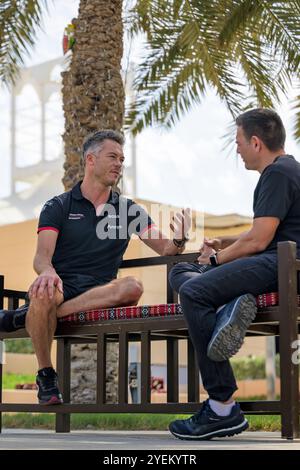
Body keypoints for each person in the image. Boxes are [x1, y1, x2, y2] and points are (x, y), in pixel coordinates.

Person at [0, 130, 190, 405]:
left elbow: (167, 250)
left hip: (103, 292)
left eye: (122, 159)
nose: (119, 164)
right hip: (62, 287)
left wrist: (180, 237)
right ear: (91, 159)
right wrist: (48, 272)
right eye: (112, 157)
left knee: (132, 286)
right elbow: (41, 257)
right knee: (44, 292)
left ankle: (28, 316)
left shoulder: (129, 210)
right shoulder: (58, 206)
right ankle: (46, 374)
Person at [168, 108, 300, 441]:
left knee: (194, 291)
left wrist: (215, 262)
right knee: (182, 270)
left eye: (239, 142)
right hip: (277, 262)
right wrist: (225, 243)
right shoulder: (288, 171)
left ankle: (222, 406)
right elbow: (266, 229)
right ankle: (230, 306)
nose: (237, 149)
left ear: (256, 142)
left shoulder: (278, 174)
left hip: (280, 267)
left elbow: (259, 240)